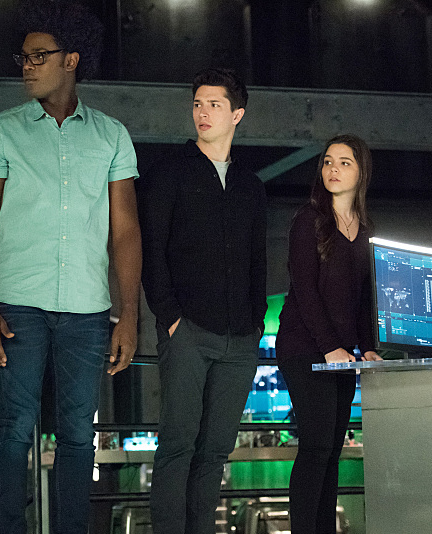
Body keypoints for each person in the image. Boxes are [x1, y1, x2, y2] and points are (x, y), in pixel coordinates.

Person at [0, 2, 141, 532]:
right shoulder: (1, 131)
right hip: (17, 305)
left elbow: (125, 231)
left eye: (39, 56)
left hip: (88, 309)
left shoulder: (112, 135)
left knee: (78, 436)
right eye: (23, 57)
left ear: (72, 60)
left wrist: (130, 316)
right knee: (14, 427)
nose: (27, 66)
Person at [138, 67, 268, 534]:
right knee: (177, 447)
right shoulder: (169, 174)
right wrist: (170, 317)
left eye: (214, 104)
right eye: (197, 103)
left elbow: (258, 259)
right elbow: (152, 249)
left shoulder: (250, 185)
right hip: (187, 331)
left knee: (215, 452)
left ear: (237, 114)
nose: (203, 112)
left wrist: (257, 322)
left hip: (241, 338)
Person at [275, 134, 382, 534]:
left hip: (342, 354)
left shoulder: (365, 229)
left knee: (332, 451)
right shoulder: (309, 220)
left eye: (344, 162)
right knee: (316, 446)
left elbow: (364, 297)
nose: (333, 169)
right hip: (304, 347)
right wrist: (330, 346)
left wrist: (367, 347)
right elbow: (305, 289)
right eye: (327, 162)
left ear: (361, 172)